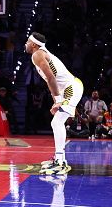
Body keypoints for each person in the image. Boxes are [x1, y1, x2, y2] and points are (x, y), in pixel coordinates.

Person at [25, 32, 84, 175]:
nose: (25, 44)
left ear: (33, 44)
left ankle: (60, 162)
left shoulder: (37, 54)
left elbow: (51, 77)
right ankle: (60, 159)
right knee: (56, 123)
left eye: (27, 42)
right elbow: (50, 81)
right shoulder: (41, 54)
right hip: (68, 89)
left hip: (71, 88)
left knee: (56, 123)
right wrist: (56, 101)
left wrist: (58, 100)